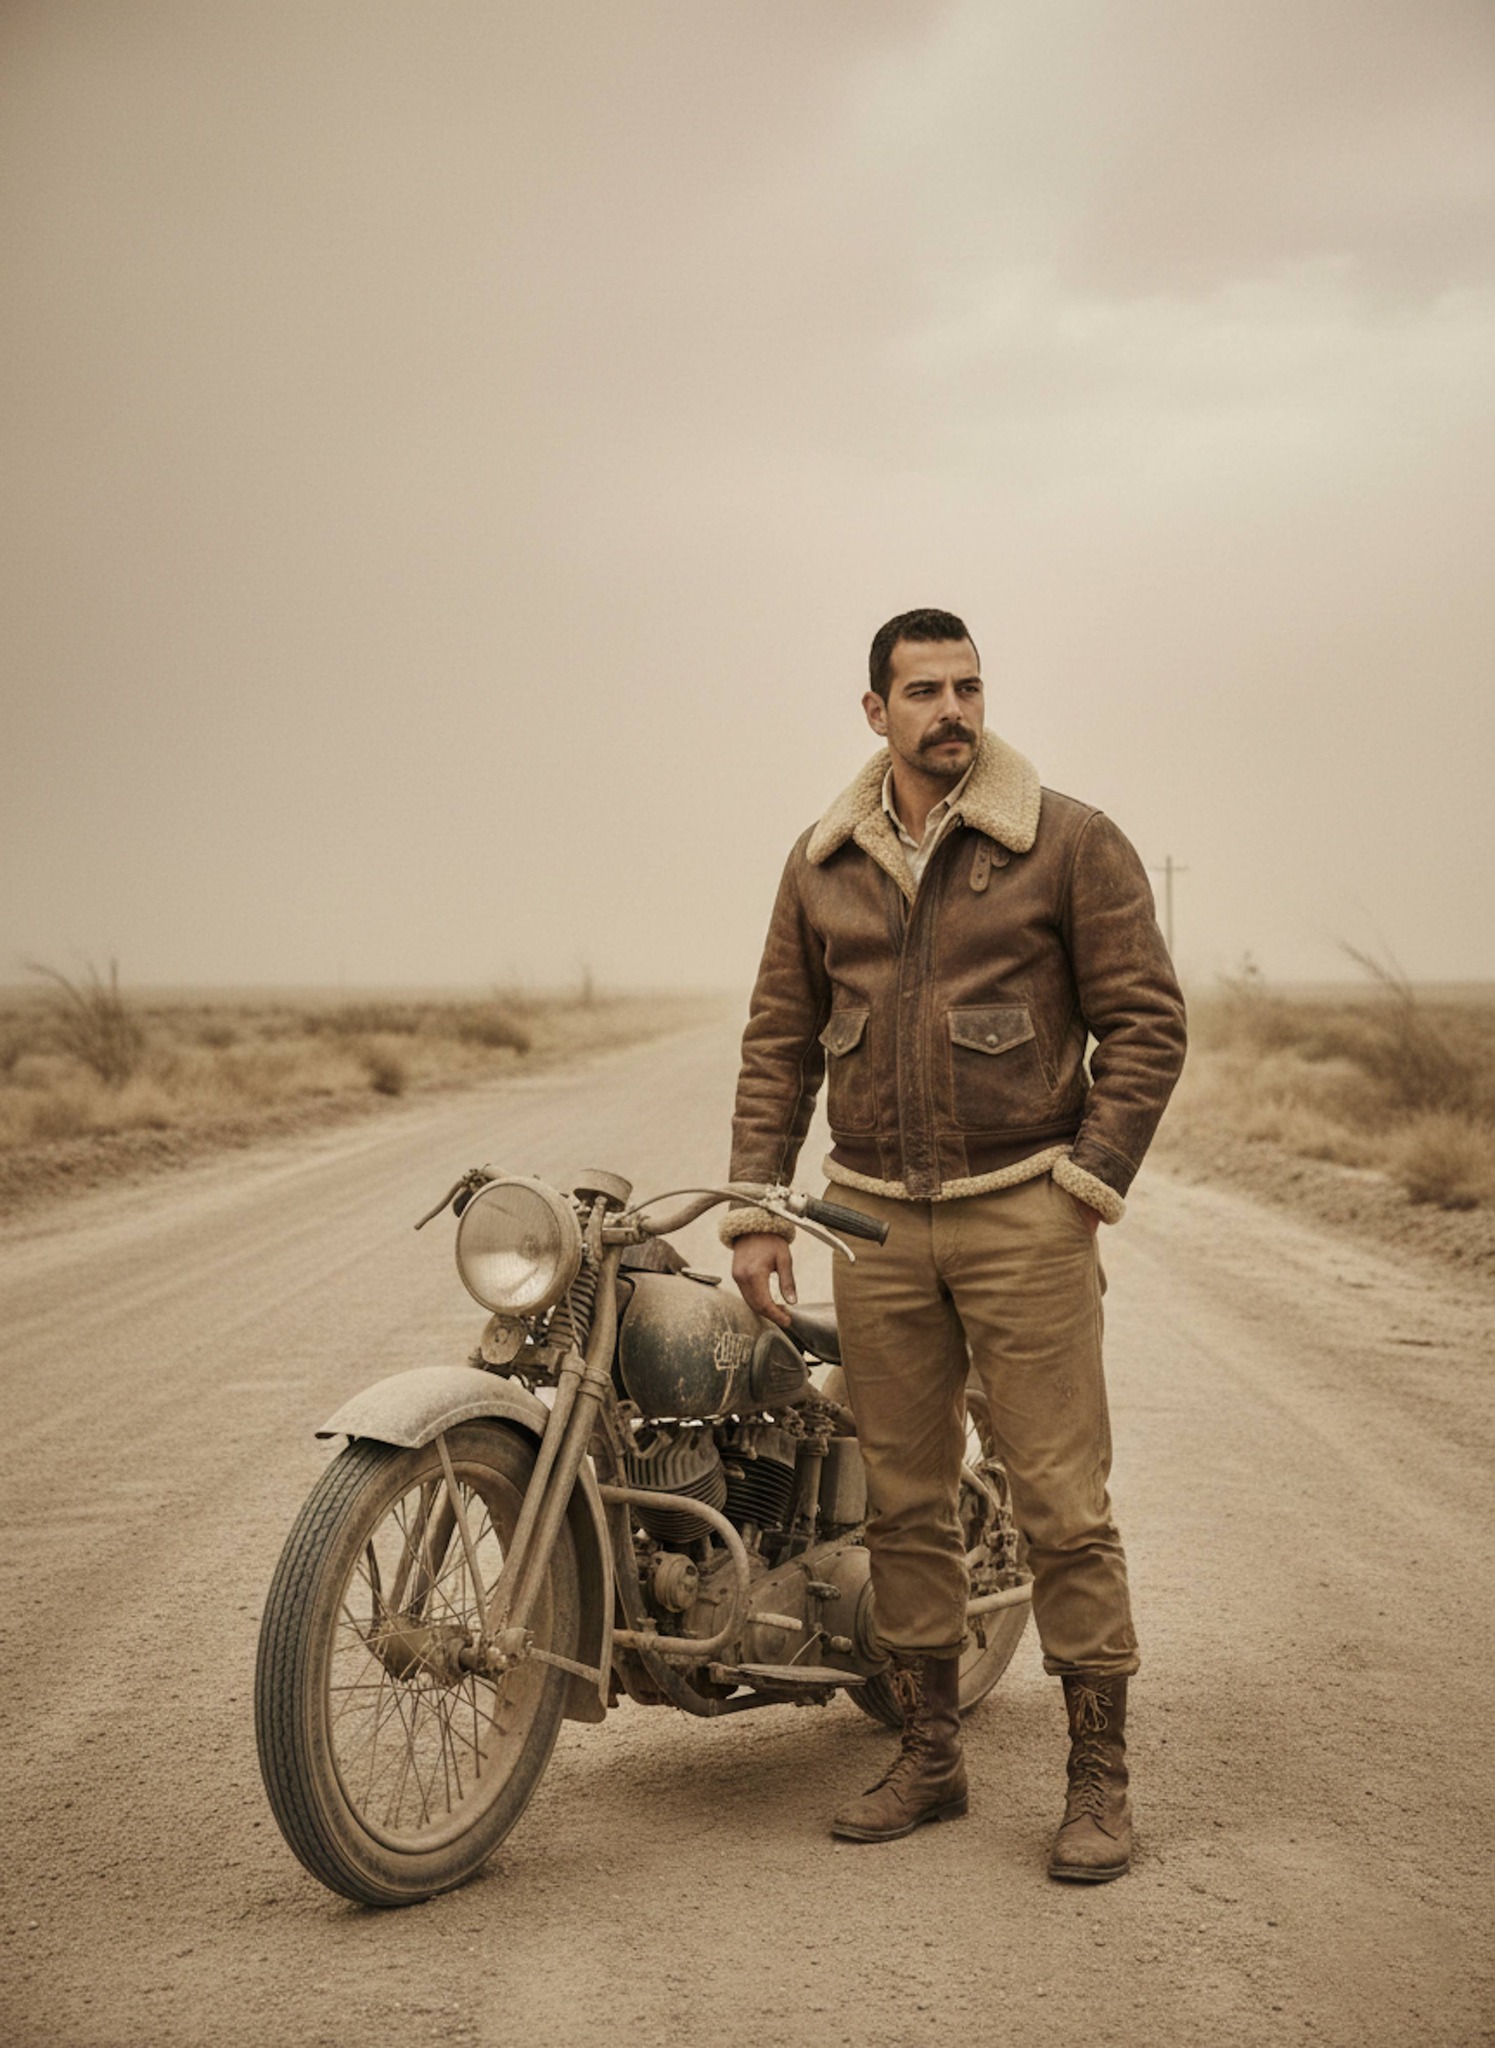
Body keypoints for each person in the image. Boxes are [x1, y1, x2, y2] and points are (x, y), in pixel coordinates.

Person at [720, 607, 1186, 1882]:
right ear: (875, 711)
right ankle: (929, 1751)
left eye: (967, 685)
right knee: (903, 1501)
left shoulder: (1068, 842)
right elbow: (776, 1043)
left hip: (1019, 1211)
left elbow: (1145, 1023)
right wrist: (760, 1204)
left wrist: (1084, 1183)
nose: (951, 709)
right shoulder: (821, 864)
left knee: (1059, 1502)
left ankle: (1098, 1779)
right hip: (871, 1218)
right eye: (922, 689)